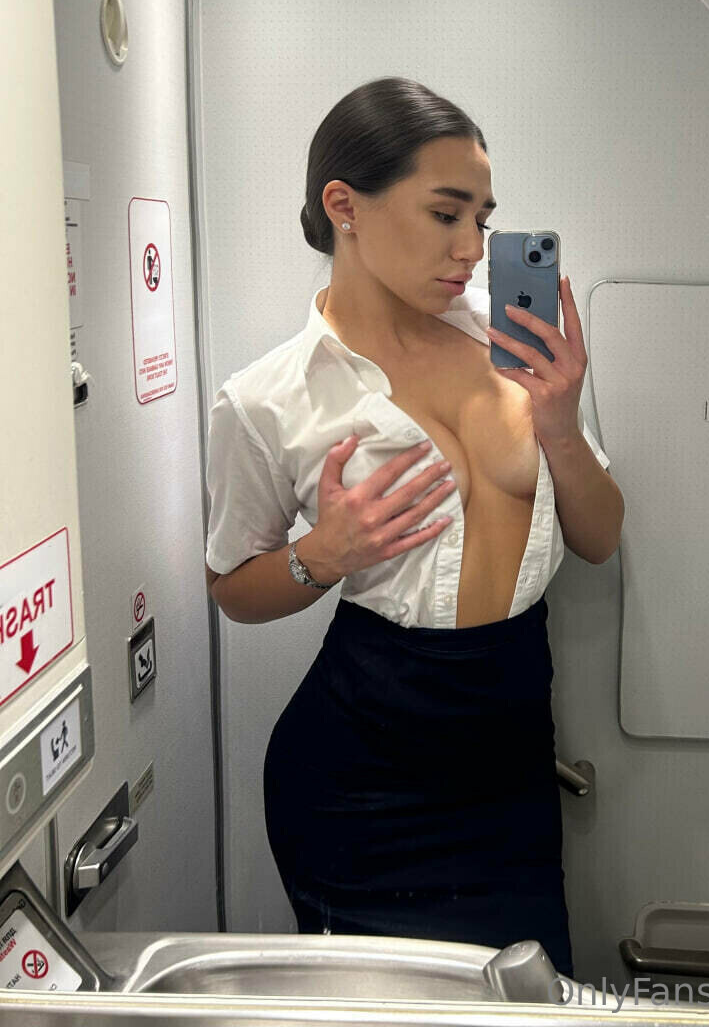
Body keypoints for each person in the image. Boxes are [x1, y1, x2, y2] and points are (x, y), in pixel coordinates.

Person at [203, 77, 623, 977]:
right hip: (359, 782)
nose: (471, 247)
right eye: (445, 214)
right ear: (344, 207)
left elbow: (601, 537)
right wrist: (321, 557)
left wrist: (560, 427)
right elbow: (232, 589)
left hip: (508, 757)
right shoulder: (267, 398)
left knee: (526, 996)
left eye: (483, 219)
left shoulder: (515, 346)